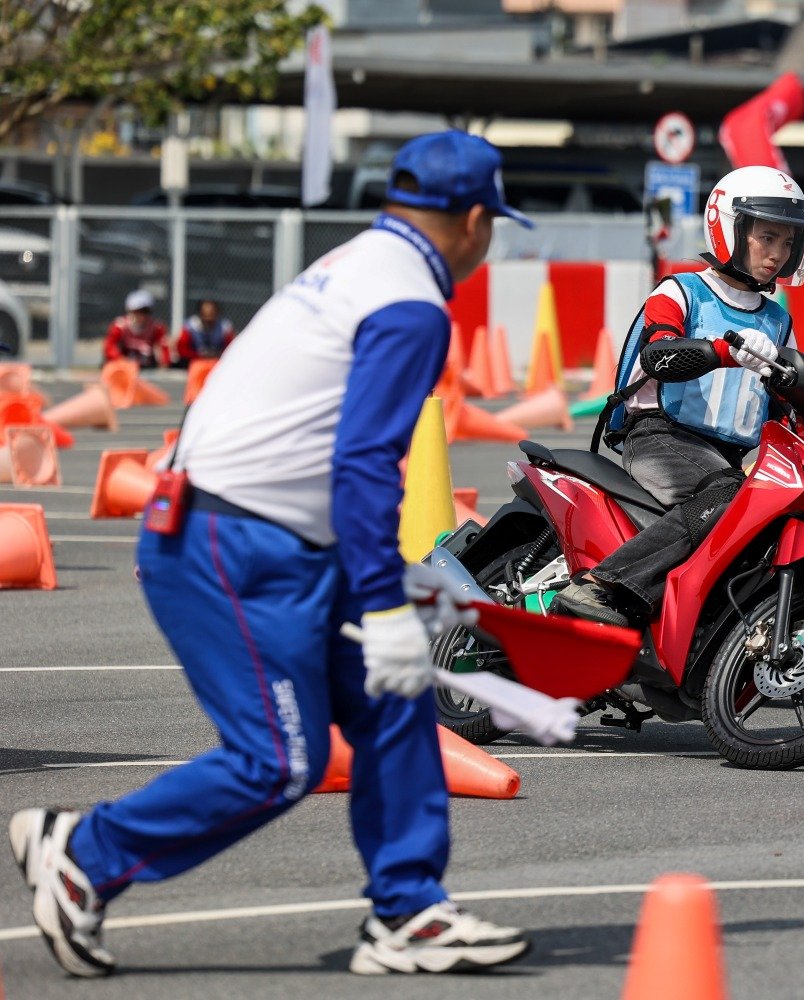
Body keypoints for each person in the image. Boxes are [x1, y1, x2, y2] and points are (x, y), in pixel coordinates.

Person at [9, 130, 537, 978]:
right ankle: (84, 856)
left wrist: (383, 588)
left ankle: (409, 911)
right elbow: (364, 464)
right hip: (233, 539)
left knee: (392, 693)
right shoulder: (410, 305)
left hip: (246, 527)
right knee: (278, 760)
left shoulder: (355, 263)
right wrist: (389, 601)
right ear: (475, 222)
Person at [550, 165, 804, 627]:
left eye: (788, 242)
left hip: (726, 453)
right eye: (767, 237)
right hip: (661, 436)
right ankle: (604, 584)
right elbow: (659, 356)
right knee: (729, 495)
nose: (778, 253)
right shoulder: (680, 291)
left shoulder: (778, 322)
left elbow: (794, 399)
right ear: (729, 229)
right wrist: (725, 350)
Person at [102, 289, 171, 368]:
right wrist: (120, 360)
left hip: (146, 363)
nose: (141, 316)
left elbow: (164, 347)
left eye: (144, 312)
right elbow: (109, 346)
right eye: (136, 312)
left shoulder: (157, 327)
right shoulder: (120, 326)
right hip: (123, 364)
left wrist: (165, 362)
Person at [175, 298, 236, 365]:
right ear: (200, 313)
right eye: (206, 314)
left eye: (212, 313)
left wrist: (219, 355)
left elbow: (231, 348)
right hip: (194, 362)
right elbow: (182, 349)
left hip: (217, 362)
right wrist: (198, 355)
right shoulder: (191, 326)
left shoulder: (224, 327)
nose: (209, 317)